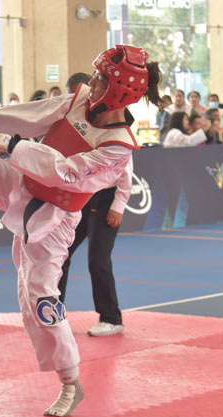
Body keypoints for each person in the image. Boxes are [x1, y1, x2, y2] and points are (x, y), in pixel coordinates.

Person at [0, 44, 162, 417]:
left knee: (38, 297)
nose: (92, 82)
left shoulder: (118, 145)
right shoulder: (81, 98)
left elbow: (66, 172)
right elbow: (33, 116)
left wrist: (12, 145)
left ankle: (70, 383)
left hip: (57, 217)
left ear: (119, 89)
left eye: (101, 78)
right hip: (22, 185)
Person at [56, 73, 131, 339]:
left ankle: (111, 318)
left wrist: (119, 204)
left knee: (97, 260)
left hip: (106, 199)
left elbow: (125, 168)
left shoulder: (109, 120)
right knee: (60, 253)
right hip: (81, 197)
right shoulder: (73, 118)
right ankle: (54, 313)